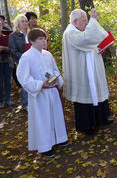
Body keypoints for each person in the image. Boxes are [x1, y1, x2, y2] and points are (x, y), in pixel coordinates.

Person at [16, 28, 68, 158]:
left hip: (52, 91)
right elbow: (23, 77)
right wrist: (40, 84)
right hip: (40, 94)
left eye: (44, 38)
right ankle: (45, 146)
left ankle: (60, 138)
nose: (44, 41)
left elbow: (55, 69)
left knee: (55, 114)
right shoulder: (26, 57)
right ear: (32, 41)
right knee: (43, 119)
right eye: (40, 39)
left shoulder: (47, 54)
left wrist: (57, 79)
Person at [62, 8, 113, 135]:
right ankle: (86, 126)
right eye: (84, 21)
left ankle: (101, 118)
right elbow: (85, 40)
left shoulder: (80, 30)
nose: (86, 23)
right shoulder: (70, 33)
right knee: (84, 97)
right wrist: (94, 20)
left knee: (96, 91)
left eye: (87, 20)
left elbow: (92, 40)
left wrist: (103, 45)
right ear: (75, 21)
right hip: (81, 71)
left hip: (92, 67)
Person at [8, 14, 29, 111]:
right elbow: (13, 51)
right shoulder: (13, 35)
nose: (25, 23)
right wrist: (24, 57)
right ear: (18, 24)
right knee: (25, 83)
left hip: (33, 61)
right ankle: (25, 104)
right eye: (22, 21)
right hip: (21, 62)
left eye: (25, 21)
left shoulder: (31, 33)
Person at [0, 22, 14, 108]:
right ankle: (0, 101)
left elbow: (12, 49)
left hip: (7, 61)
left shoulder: (7, 37)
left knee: (8, 81)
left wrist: (5, 48)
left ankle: (8, 99)